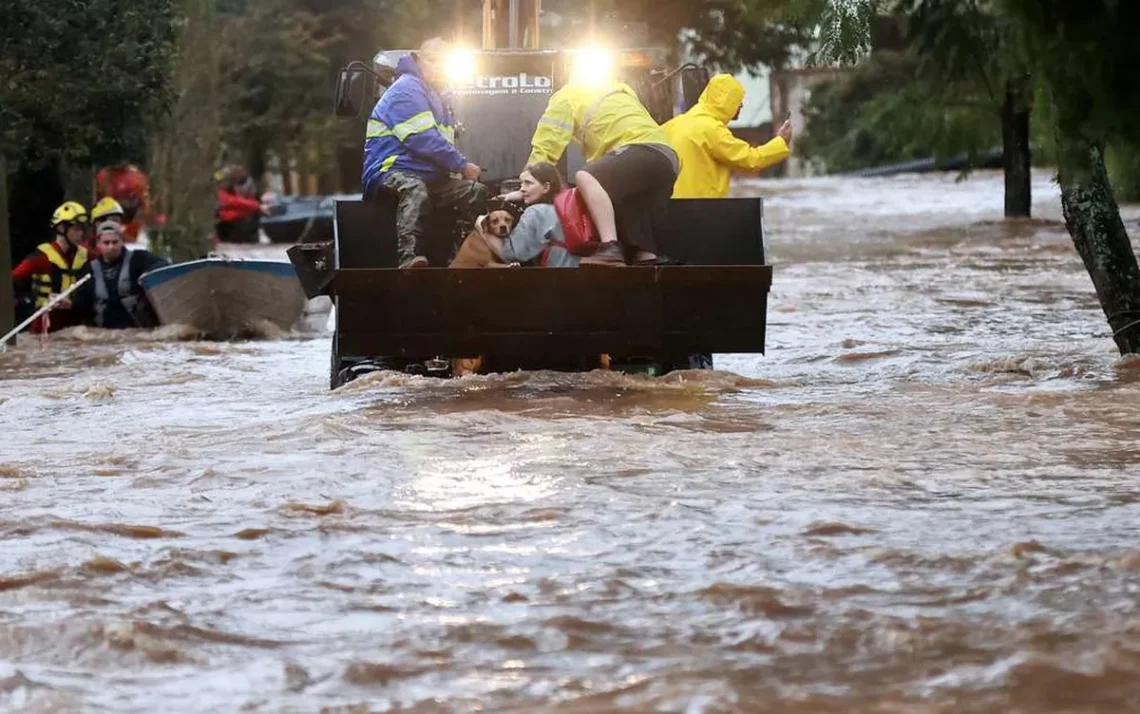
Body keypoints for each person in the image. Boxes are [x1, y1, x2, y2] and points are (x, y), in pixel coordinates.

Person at [527, 71, 679, 266]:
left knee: (586, 177)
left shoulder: (566, 96)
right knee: (629, 207)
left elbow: (546, 145)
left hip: (640, 149)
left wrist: (527, 183)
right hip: (667, 159)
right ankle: (646, 258)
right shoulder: (620, 89)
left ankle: (609, 247)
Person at [361, 37, 487, 269]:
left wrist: (460, 171)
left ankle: (461, 257)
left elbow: (442, 144)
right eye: (432, 60)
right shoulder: (406, 90)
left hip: (428, 177)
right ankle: (409, 257)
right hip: (390, 170)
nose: (438, 67)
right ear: (418, 60)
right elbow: (423, 139)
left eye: (444, 63)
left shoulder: (440, 98)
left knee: (474, 192)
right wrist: (462, 165)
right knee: (415, 190)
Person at [663, 74, 793, 198]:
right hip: (701, 211)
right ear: (726, 101)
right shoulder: (711, 129)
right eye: (737, 100)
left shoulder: (671, 125)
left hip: (670, 210)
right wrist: (781, 141)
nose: (741, 105)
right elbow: (750, 160)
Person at [10, 201, 91, 333]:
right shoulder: (41, 257)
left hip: (76, 325)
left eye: (82, 229)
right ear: (61, 228)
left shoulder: (86, 256)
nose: (81, 234)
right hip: (44, 326)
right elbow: (11, 279)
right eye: (76, 229)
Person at [72, 221, 169, 329]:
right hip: (104, 333)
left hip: (138, 329)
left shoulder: (138, 259)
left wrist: (148, 273)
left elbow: (162, 266)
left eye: (115, 242)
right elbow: (81, 305)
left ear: (122, 242)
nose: (111, 247)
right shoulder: (89, 269)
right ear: (98, 244)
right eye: (106, 243)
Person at [482, 163, 578, 267]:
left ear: (546, 187)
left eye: (528, 183)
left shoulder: (536, 212)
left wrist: (481, 226)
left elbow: (512, 254)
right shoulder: (562, 207)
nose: (522, 188)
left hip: (555, 275)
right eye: (521, 183)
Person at [95, 163, 151, 243]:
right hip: (112, 211)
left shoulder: (137, 175)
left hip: (132, 216)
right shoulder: (105, 175)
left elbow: (143, 201)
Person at [216, 166, 269, 243]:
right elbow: (227, 202)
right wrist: (256, 206)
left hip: (244, 230)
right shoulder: (221, 188)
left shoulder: (246, 187)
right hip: (227, 230)